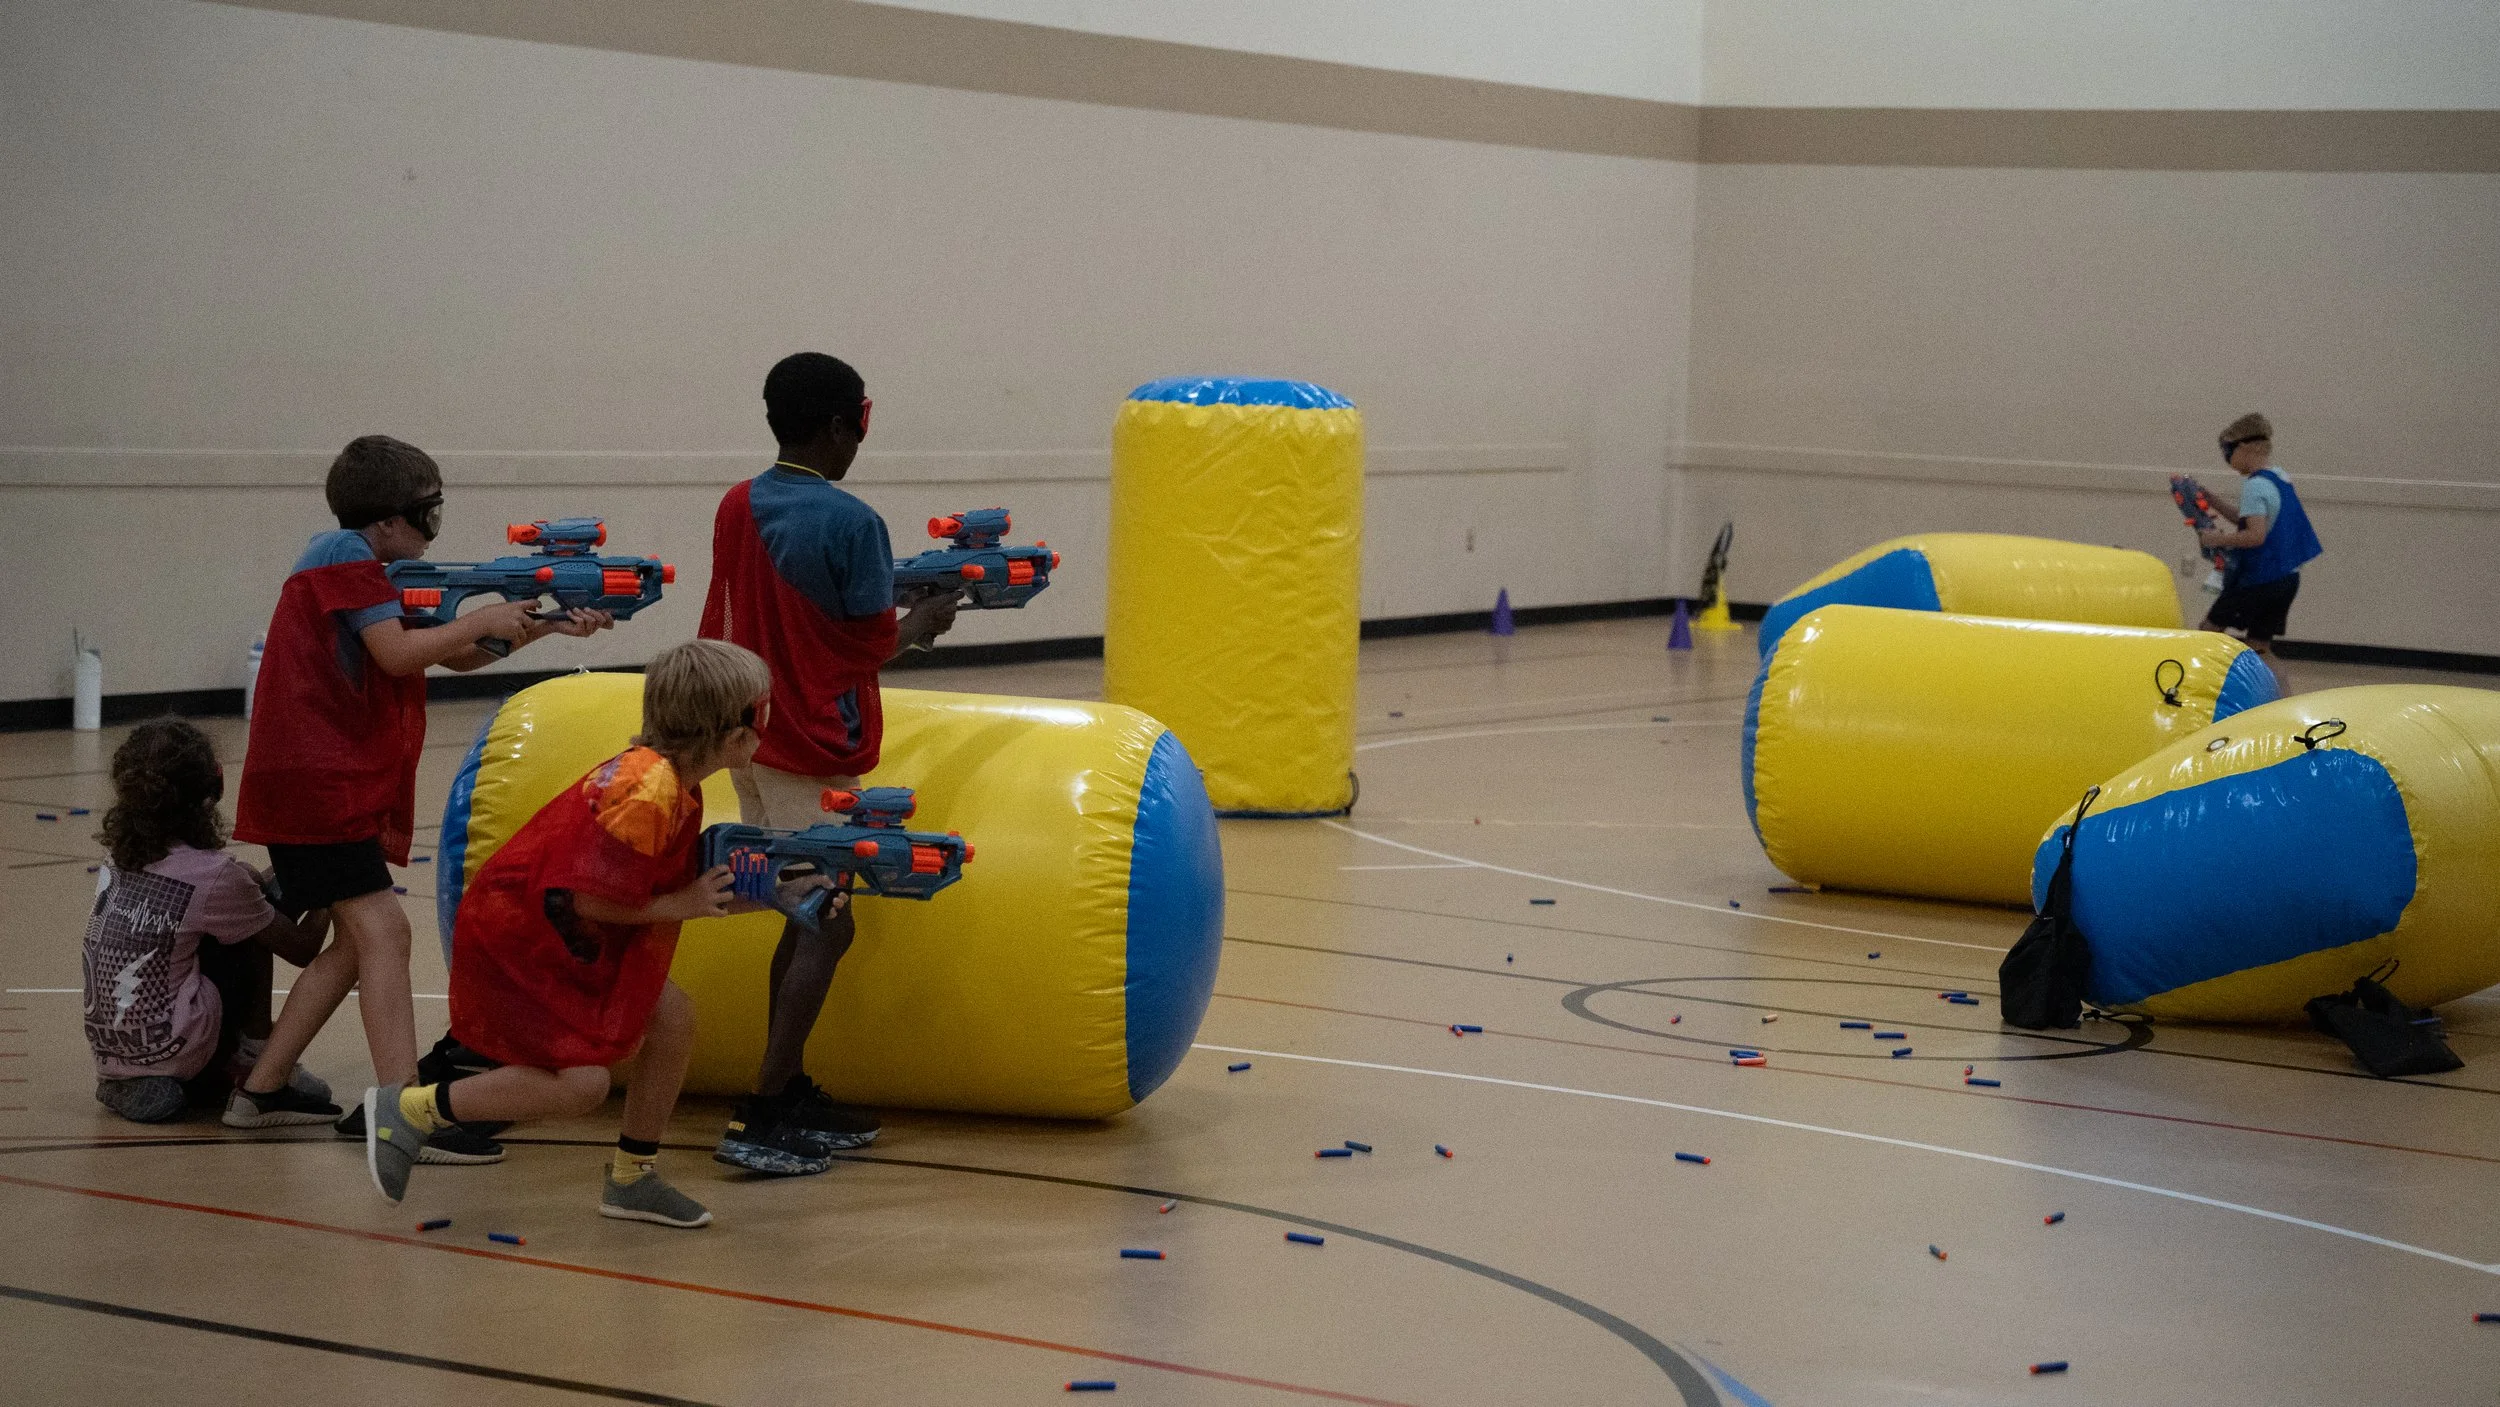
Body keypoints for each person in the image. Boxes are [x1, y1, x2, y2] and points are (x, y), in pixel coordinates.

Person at [224, 435, 612, 1152]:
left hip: (324, 781)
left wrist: (545, 624)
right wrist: (487, 615)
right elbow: (400, 653)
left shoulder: (363, 566)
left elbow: (457, 656)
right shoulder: (343, 556)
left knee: (352, 944)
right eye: (425, 513)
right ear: (385, 520)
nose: (432, 528)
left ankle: (262, 1089)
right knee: (385, 932)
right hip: (320, 783)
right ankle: (405, 1115)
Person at [362, 640, 810, 1224]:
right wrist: (685, 903)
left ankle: (631, 1176)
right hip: (528, 938)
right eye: (764, 713)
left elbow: (658, 888)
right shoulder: (645, 790)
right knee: (581, 1086)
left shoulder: (669, 780)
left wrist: (778, 893)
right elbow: (592, 898)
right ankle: (413, 1109)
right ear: (732, 733)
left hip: (559, 929)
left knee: (672, 1019)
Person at [697, 352, 958, 1175]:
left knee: (806, 910)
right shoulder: (853, 522)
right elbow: (869, 639)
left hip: (751, 733)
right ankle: (765, 1108)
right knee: (828, 918)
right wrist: (926, 620)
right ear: (848, 424)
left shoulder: (739, 502)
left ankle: (786, 1085)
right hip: (809, 747)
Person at [82, 720, 333, 1123]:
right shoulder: (215, 877)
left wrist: (262, 880)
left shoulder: (119, 858)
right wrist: (330, 896)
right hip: (177, 1046)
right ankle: (253, 1058)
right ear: (210, 794)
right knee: (254, 923)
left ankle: (143, 1081)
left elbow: (222, 890)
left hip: (114, 1052)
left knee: (245, 901)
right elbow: (302, 949)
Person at [2196, 413, 2323, 658]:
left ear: (2243, 448)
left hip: (2260, 579)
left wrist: (2215, 539)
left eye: (2227, 451)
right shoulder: (2279, 477)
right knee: (2259, 649)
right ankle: (2280, 692)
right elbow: (2253, 520)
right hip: (2287, 579)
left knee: (2207, 634)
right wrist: (2214, 502)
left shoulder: (2254, 486)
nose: (2227, 459)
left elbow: (2255, 536)